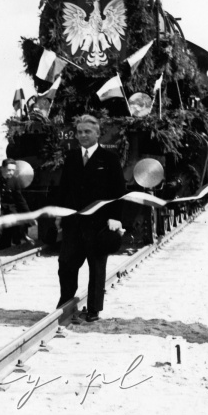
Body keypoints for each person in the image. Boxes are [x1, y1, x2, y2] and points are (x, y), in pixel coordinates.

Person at [56, 114, 126, 323]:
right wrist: (60, 214)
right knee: (66, 264)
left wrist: (115, 218)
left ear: (97, 134)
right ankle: (66, 302)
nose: (83, 135)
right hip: (73, 222)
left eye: (87, 131)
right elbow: (63, 189)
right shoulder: (71, 158)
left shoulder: (109, 159)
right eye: (79, 132)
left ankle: (94, 309)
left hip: (99, 224)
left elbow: (118, 191)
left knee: (96, 267)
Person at [0, 158, 31, 249]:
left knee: (16, 226)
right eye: (9, 170)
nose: (11, 172)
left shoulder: (14, 180)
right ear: (2, 168)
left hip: (11, 208)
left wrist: (29, 213)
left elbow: (20, 198)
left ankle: (15, 244)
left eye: (13, 170)